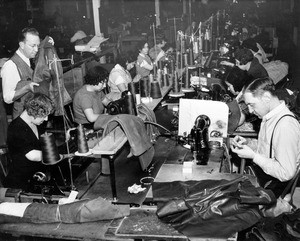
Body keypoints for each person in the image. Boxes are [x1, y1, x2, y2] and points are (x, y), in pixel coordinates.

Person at [230, 77, 300, 197]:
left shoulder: (285, 125)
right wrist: (248, 143)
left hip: (274, 189)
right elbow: (269, 148)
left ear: (267, 98)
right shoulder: (269, 116)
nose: (250, 111)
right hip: (265, 177)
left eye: (252, 105)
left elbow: (286, 173)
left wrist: (253, 156)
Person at [3, 93, 54, 189]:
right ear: (34, 112)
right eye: (44, 115)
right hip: (21, 183)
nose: (46, 119)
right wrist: (57, 154)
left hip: (37, 177)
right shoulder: (16, 128)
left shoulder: (36, 123)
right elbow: (32, 155)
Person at [1, 27, 41, 119]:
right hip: (21, 119)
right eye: (33, 45)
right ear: (22, 45)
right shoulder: (11, 65)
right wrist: (27, 88)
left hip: (33, 117)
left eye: (38, 45)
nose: (36, 49)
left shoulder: (30, 60)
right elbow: (7, 98)